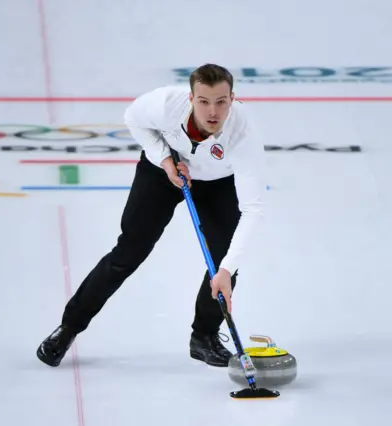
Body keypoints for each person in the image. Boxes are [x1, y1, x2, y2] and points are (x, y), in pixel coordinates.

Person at [36, 63, 267, 368]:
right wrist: (165, 161)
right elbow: (133, 117)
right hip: (161, 173)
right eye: (204, 101)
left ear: (232, 99)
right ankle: (69, 327)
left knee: (224, 262)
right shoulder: (164, 104)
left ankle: (204, 337)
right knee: (128, 252)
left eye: (221, 102)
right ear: (190, 98)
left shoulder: (243, 131)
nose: (213, 111)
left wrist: (227, 270)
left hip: (216, 183)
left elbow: (253, 208)